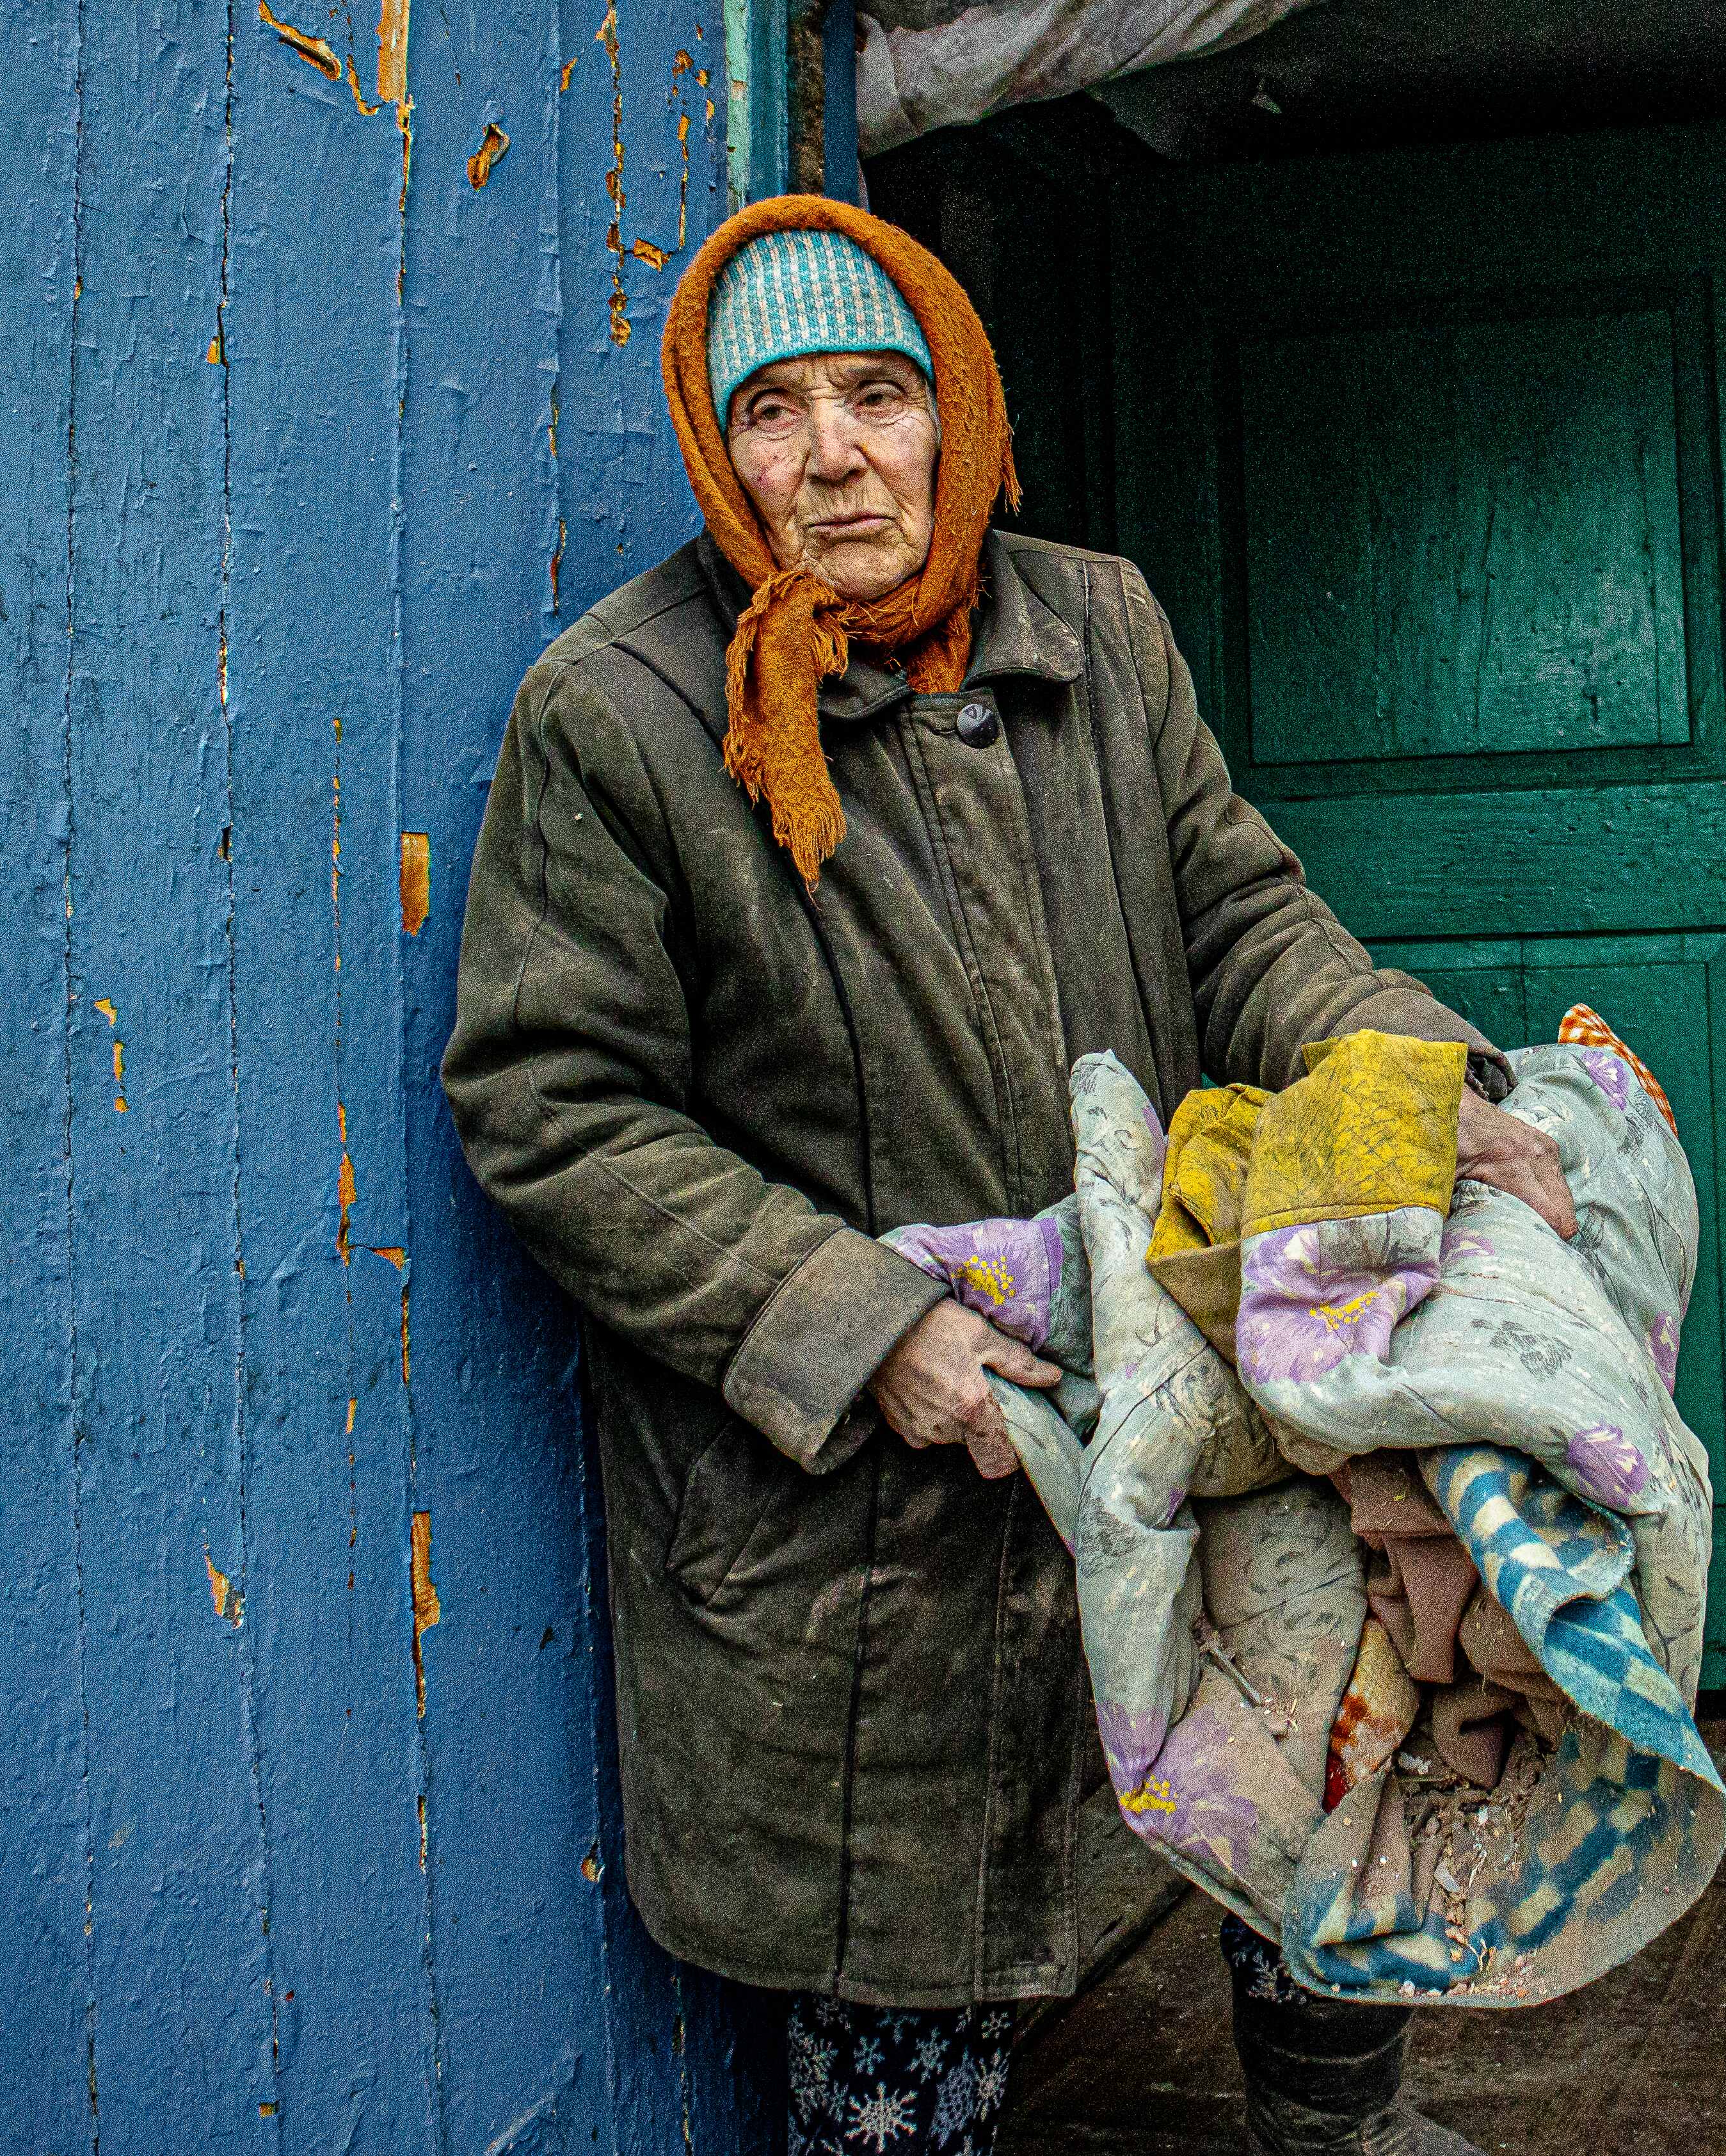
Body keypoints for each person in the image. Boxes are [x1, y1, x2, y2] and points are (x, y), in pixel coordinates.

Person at [443, 195, 1572, 2156]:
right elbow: (557, 1106)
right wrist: (864, 1326)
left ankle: (1344, 2134)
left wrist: (1408, 1079)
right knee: (914, 1950)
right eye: (773, 411)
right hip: (870, 1508)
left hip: (1167, 1376)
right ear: (719, 444)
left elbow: (1241, 922)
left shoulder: (1097, 631)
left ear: (954, 411)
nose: (833, 456)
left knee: (1310, 1765)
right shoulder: (620, 716)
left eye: (876, 395)